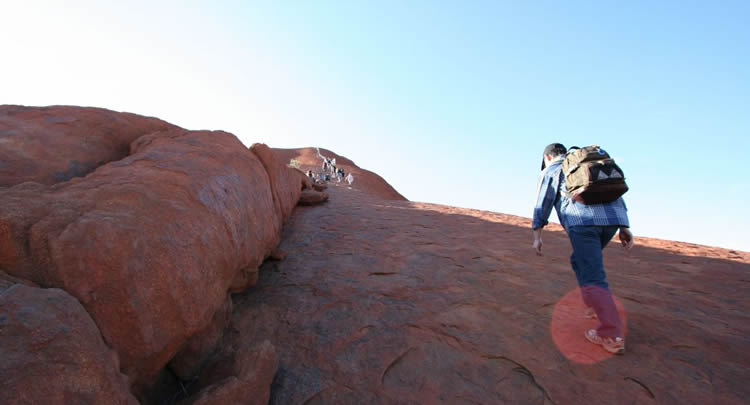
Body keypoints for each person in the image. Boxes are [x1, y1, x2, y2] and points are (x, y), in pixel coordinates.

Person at [532, 143, 634, 355]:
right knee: (579, 261)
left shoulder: (553, 169)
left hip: (583, 223)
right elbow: (615, 193)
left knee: (593, 275)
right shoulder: (588, 164)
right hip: (611, 222)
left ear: (548, 157)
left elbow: (543, 201)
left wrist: (537, 235)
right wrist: (624, 227)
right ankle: (592, 306)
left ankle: (611, 334)